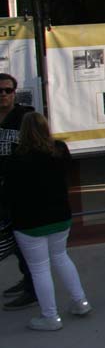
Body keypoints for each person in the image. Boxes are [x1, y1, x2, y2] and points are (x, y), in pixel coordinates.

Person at [1, 113, 91, 330]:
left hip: (29, 223)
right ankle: (81, 302)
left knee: (39, 268)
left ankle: (50, 316)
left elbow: (8, 193)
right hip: (60, 217)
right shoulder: (59, 150)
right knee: (61, 257)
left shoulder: (15, 159)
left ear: (22, 132)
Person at [0, 72, 38, 312]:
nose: (3, 94)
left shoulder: (25, 117)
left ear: (14, 93)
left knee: (25, 239)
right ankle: (27, 278)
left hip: (22, 190)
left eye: (8, 90)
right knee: (11, 239)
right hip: (1, 191)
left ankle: (33, 289)